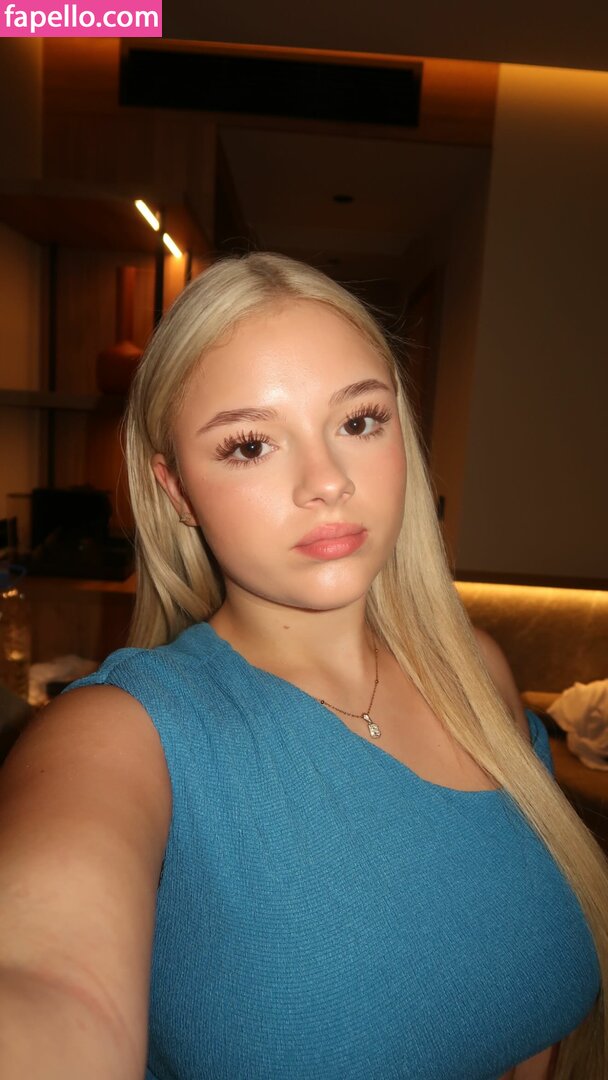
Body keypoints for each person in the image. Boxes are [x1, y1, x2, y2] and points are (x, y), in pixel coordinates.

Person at [0, 253, 606, 1080]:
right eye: (250, 444)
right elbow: (46, 984)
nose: (327, 482)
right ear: (175, 491)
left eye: (359, 421)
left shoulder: (478, 673)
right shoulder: (122, 736)